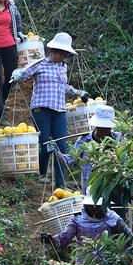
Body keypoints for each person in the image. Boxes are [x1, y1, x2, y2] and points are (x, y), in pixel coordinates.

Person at [10, 32, 89, 188]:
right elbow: (24, 74)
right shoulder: (40, 64)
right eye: (63, 54)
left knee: (61, 146)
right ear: (55, 51)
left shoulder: (63, 67)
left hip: (59, 110)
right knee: (46, 143)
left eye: (66, 54)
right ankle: (42, 172)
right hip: (42, 110)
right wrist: (17, 74)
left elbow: (63, 86)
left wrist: (79, 92)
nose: (64, 57)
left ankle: (60, 184)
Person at [58, 104, 124, 195]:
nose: (104, 131)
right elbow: (70, 160)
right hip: (90, 188)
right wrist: (56, 153)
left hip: (112, 188)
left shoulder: (118, 139)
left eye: (107, 128)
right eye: (102, 127)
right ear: (96, 126)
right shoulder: (85, 140)